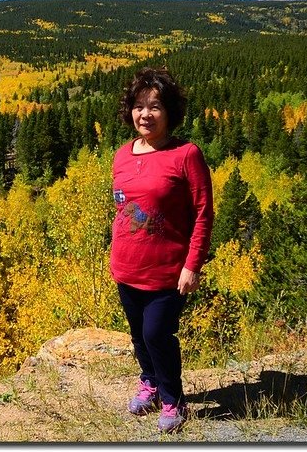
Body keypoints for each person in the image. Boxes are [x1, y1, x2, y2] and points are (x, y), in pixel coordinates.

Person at [110, 66, 213, 433]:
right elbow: (123, 208)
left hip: (168, 270)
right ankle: (149, 381)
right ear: (130, 111)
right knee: (139, 335)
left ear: (169, 112)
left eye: (154, 106)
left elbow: (203, 213)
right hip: (126, 266)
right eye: (139, 106)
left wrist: (193, 264)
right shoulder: (122, 155)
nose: (145, 114)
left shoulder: (186, 155)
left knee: (157, 334)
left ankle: (172, 398)